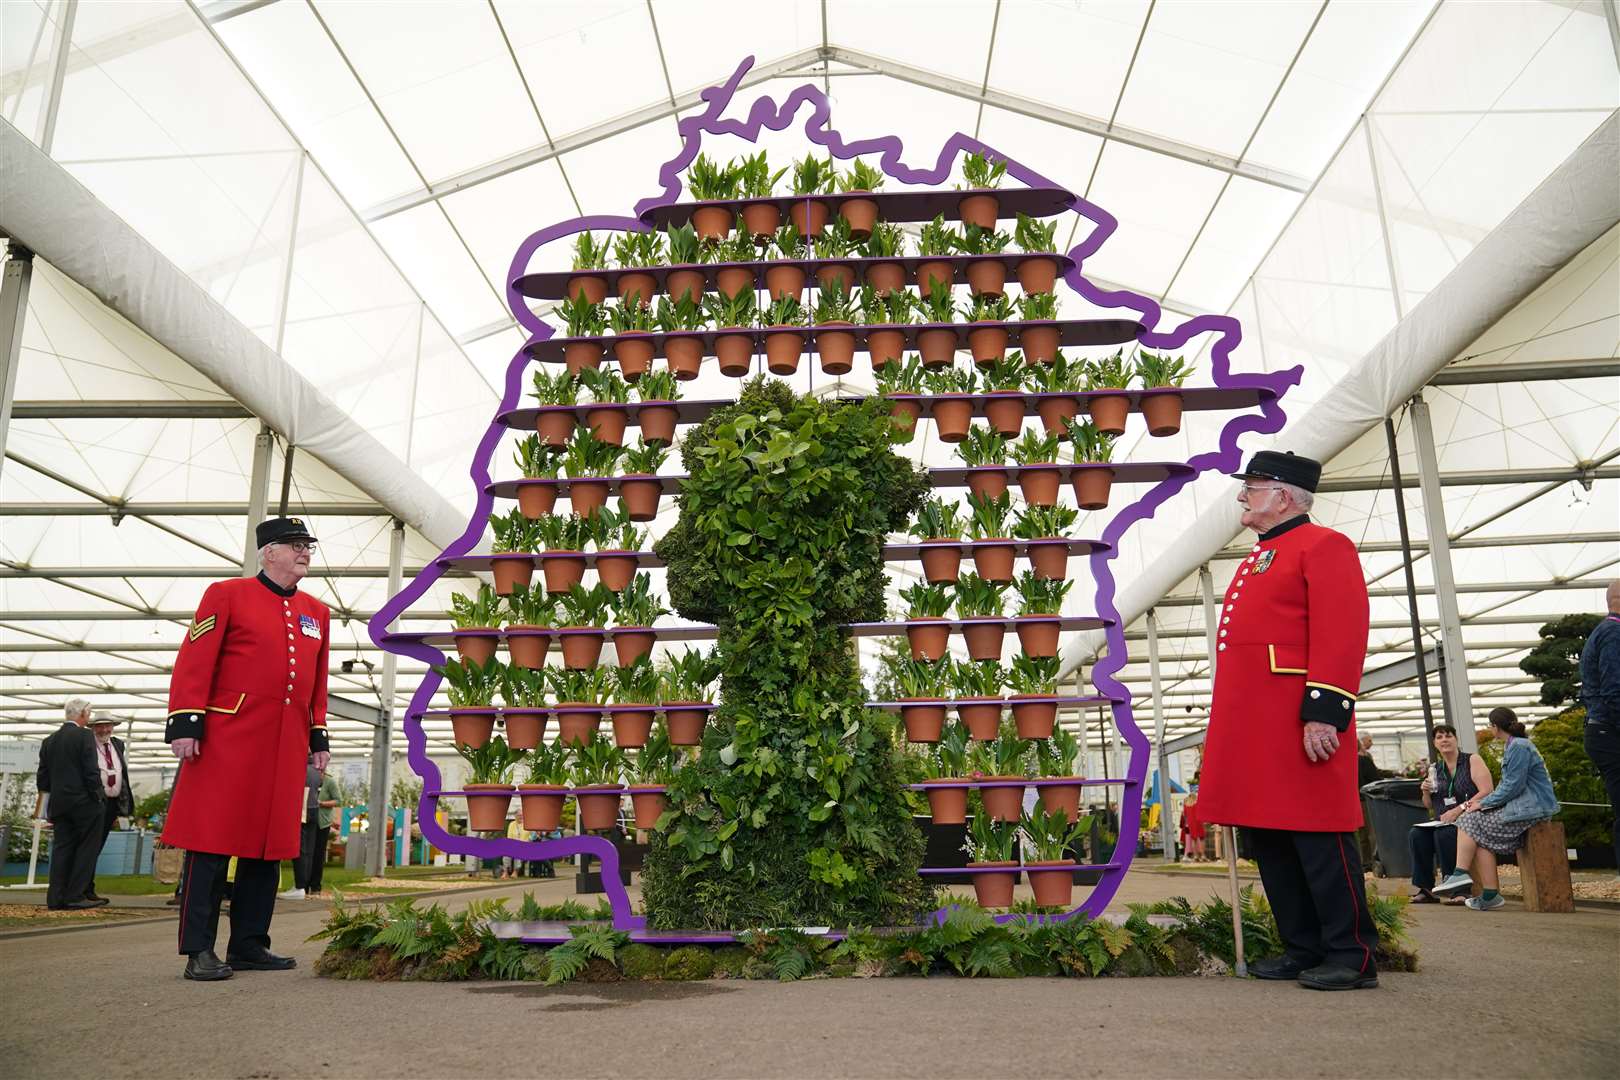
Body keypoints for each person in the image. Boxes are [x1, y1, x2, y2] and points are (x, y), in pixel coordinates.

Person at [1198, 451, 1379, 991]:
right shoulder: (1262, 555)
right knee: (1270, 837)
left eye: (1250, 487)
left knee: (1318, 835)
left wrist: (1324, 714)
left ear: (1282, 495)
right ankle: (1302, 947)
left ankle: (1352, 954)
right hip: (1258, 722)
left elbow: (1341, 631)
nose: (1241, 496)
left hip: (1298, 716)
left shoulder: (1325, 546)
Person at [162, 517, 331, 982]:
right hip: (227, 736)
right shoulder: (227, 594)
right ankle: (198, 949)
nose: (304, 553)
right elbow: (194, 659)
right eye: (294, 545)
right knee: (211, 842)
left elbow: (317, 681)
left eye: (307, 546)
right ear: (267, 552)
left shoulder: (317, 611)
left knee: (267, 846)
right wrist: (185, 721)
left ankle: (249, 944)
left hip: (285, 742)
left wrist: (317, 733)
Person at [1434, 708, 1560, 910]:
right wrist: (1482, 804)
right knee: (1475, 828)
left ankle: (1459, 874)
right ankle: (1489, 894)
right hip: (1525, 806)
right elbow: (1508, 786)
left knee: (1468, 820)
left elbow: (1512, 786)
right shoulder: (1516, 744)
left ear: (1495, 726)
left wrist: (1482, 803)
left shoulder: (1518, 747)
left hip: (1533, 808)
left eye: (1490, 725)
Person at [34, 699, 107, 911]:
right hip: (85, 803)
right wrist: (98, 796)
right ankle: (75, 895)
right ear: (83, 713)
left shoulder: (49, 740)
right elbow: (90, 770)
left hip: (59, 804)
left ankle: (55, 898)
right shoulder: (85, 735)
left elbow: (43, 777)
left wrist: (50, 800)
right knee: (86, 849)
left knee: (61, 849)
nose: (90, 717)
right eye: (89, 713)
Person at [1407, 724, 1492, 903]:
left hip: (1469, 818)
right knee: (1417, 834)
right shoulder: (1435, 768)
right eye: (1439, 737)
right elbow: (1429, 805)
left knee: (1445, 834)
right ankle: (1426, 889)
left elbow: (1487, 791)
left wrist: (1458, 809)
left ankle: (1458, 889)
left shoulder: (1472, 760)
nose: (1444, 740)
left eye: (1448, 736)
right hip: (1443, 820)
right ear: (1434, 743)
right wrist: (1425, 792)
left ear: (1455, 740)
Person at [1580, 580, 1620, 874]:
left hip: (1603, 730)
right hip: (1610, 731)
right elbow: (1615, 688)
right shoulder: (1613, 633)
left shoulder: (1604, 631)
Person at [86, 715, 134, 903]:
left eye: (108, 725)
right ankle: (84, 887)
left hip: (112, 804)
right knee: (90, 847)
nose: (105, 729)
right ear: (93, 728)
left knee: (97, 846)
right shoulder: (88, 745)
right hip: (96, 802)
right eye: (100, 726)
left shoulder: (117, 744)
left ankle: (88, 887)